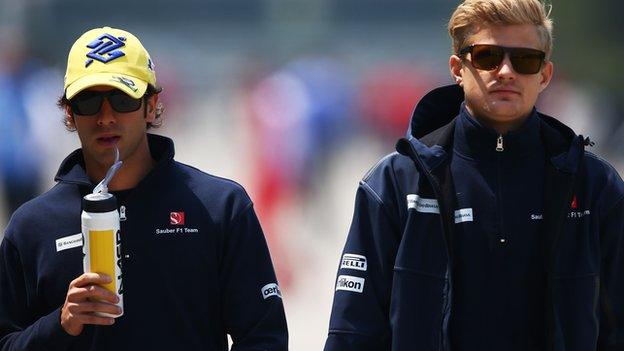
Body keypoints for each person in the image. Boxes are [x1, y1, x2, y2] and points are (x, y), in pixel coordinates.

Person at [324, 1, 624, 350]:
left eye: (525, 59)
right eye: (487, 57)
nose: (506, 71)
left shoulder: (595, 187)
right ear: (457, 68)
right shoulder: (395, 182)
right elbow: (352, 333)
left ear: (544, 76)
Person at [0, 26, 288, 350]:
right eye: (89, 101)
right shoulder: (32, 226)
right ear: (69, 112)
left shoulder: (218, 207)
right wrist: (61, 323)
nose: (105, 117)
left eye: (122, 99)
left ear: (151, 106)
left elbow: (264, 336)